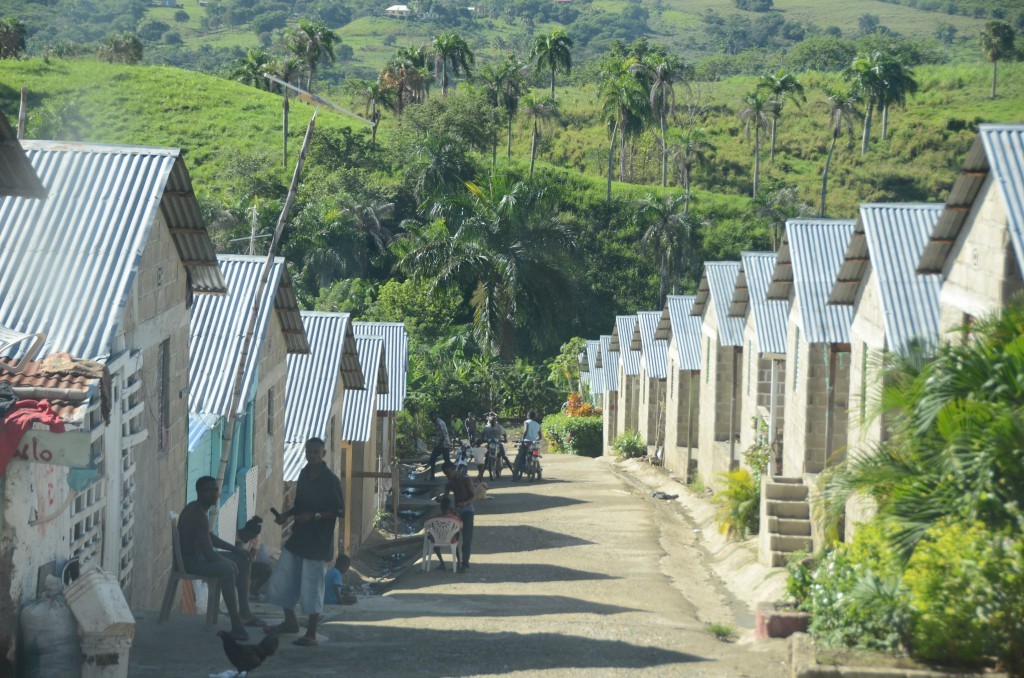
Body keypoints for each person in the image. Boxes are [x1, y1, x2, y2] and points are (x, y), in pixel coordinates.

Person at [265, 437, 344, 646]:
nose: (312, 455)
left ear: (323, 454)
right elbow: (299, 504)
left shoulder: (331, 480)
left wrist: (314, 516)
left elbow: (339, 510)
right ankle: (290, 622)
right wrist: (286, 515)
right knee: (284, 578)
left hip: (318, 542)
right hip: (299, 538)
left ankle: (311, 632)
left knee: (312, 587)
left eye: (316, 452)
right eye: (309, 452)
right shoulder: (303, 474)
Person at [178, 476, 265, 641]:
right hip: (190, 562)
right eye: (208, 490)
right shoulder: (197, 514)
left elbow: (210, 539)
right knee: (228, 570)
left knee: (244, 559)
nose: (213, 494)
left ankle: (245, 613)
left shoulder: (200, 511)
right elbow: (210, 554)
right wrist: (230, 563)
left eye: (215, 490)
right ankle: (237, 626)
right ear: (199, 492)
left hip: (199, 558)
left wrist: (236, 551)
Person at [442, 461, 475, 572]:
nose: (448, 475)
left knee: (466, 538)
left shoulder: (466, 479)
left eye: (448, 472)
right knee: (454, 538)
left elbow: (473, 496)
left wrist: (465, 503)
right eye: (445, 474)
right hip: (457, 511)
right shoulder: (450, 483)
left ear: (454, 469)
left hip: (467, 511)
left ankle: (465, 563)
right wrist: (443, 502)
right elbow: (445, 498)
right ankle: (459, 562)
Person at [236, 516, 273, 598]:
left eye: (252, 537)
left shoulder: (255, 538)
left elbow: (252, 557)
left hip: (245, 565)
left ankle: (253, 590)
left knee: (267, 570)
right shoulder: (235, 536)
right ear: (245, 529)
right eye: (249, 536)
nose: (250, 539)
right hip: (234, 566)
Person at [424, 496, 462, 570]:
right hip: (451, 539)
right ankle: (458, 563)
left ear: (440, 507)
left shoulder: (434, 518)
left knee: (434, 545)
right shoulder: (455, 518)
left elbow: (426, 525)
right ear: (450, 507)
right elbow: (460, 526)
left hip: (437, 540)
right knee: (456, 543)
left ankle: (442, 563)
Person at [478, 415, 512, 480]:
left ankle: (513, 471)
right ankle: (481, 474)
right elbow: (482, 435)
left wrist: (505, 439)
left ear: (495, 421)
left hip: (498, 444)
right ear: (489, 422)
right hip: (490, 444)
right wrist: (482, 439)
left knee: (504, 456)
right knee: (486, 459)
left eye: (494, 422)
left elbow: (504, 433)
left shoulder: (499, 427)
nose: (493, 423)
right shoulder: (486, 428)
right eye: (491, 422)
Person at [513, 411, 542, 480]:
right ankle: (538, 470)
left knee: (519, 458)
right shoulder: (538, 425)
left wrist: (523, 440)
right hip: (534, 443)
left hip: (526, 443)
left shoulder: (527, 422)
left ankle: (515, 476)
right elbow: (540, 436)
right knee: (536, 456)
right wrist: (535, 439)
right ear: (535, 416)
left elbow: (525, 431)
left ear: (528, 415)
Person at [427, 410, 451, 480]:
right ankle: (432, 476)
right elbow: (439, 434)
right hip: (442, 444)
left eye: (431, 417)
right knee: (444, 460)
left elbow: (443, 436)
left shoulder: (440, 423)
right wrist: (431, 434)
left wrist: (438, 445)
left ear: (434, 416)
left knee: (445, 461)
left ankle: (452, 475)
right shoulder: (437, 423)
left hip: (444, 444)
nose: (431, 419)